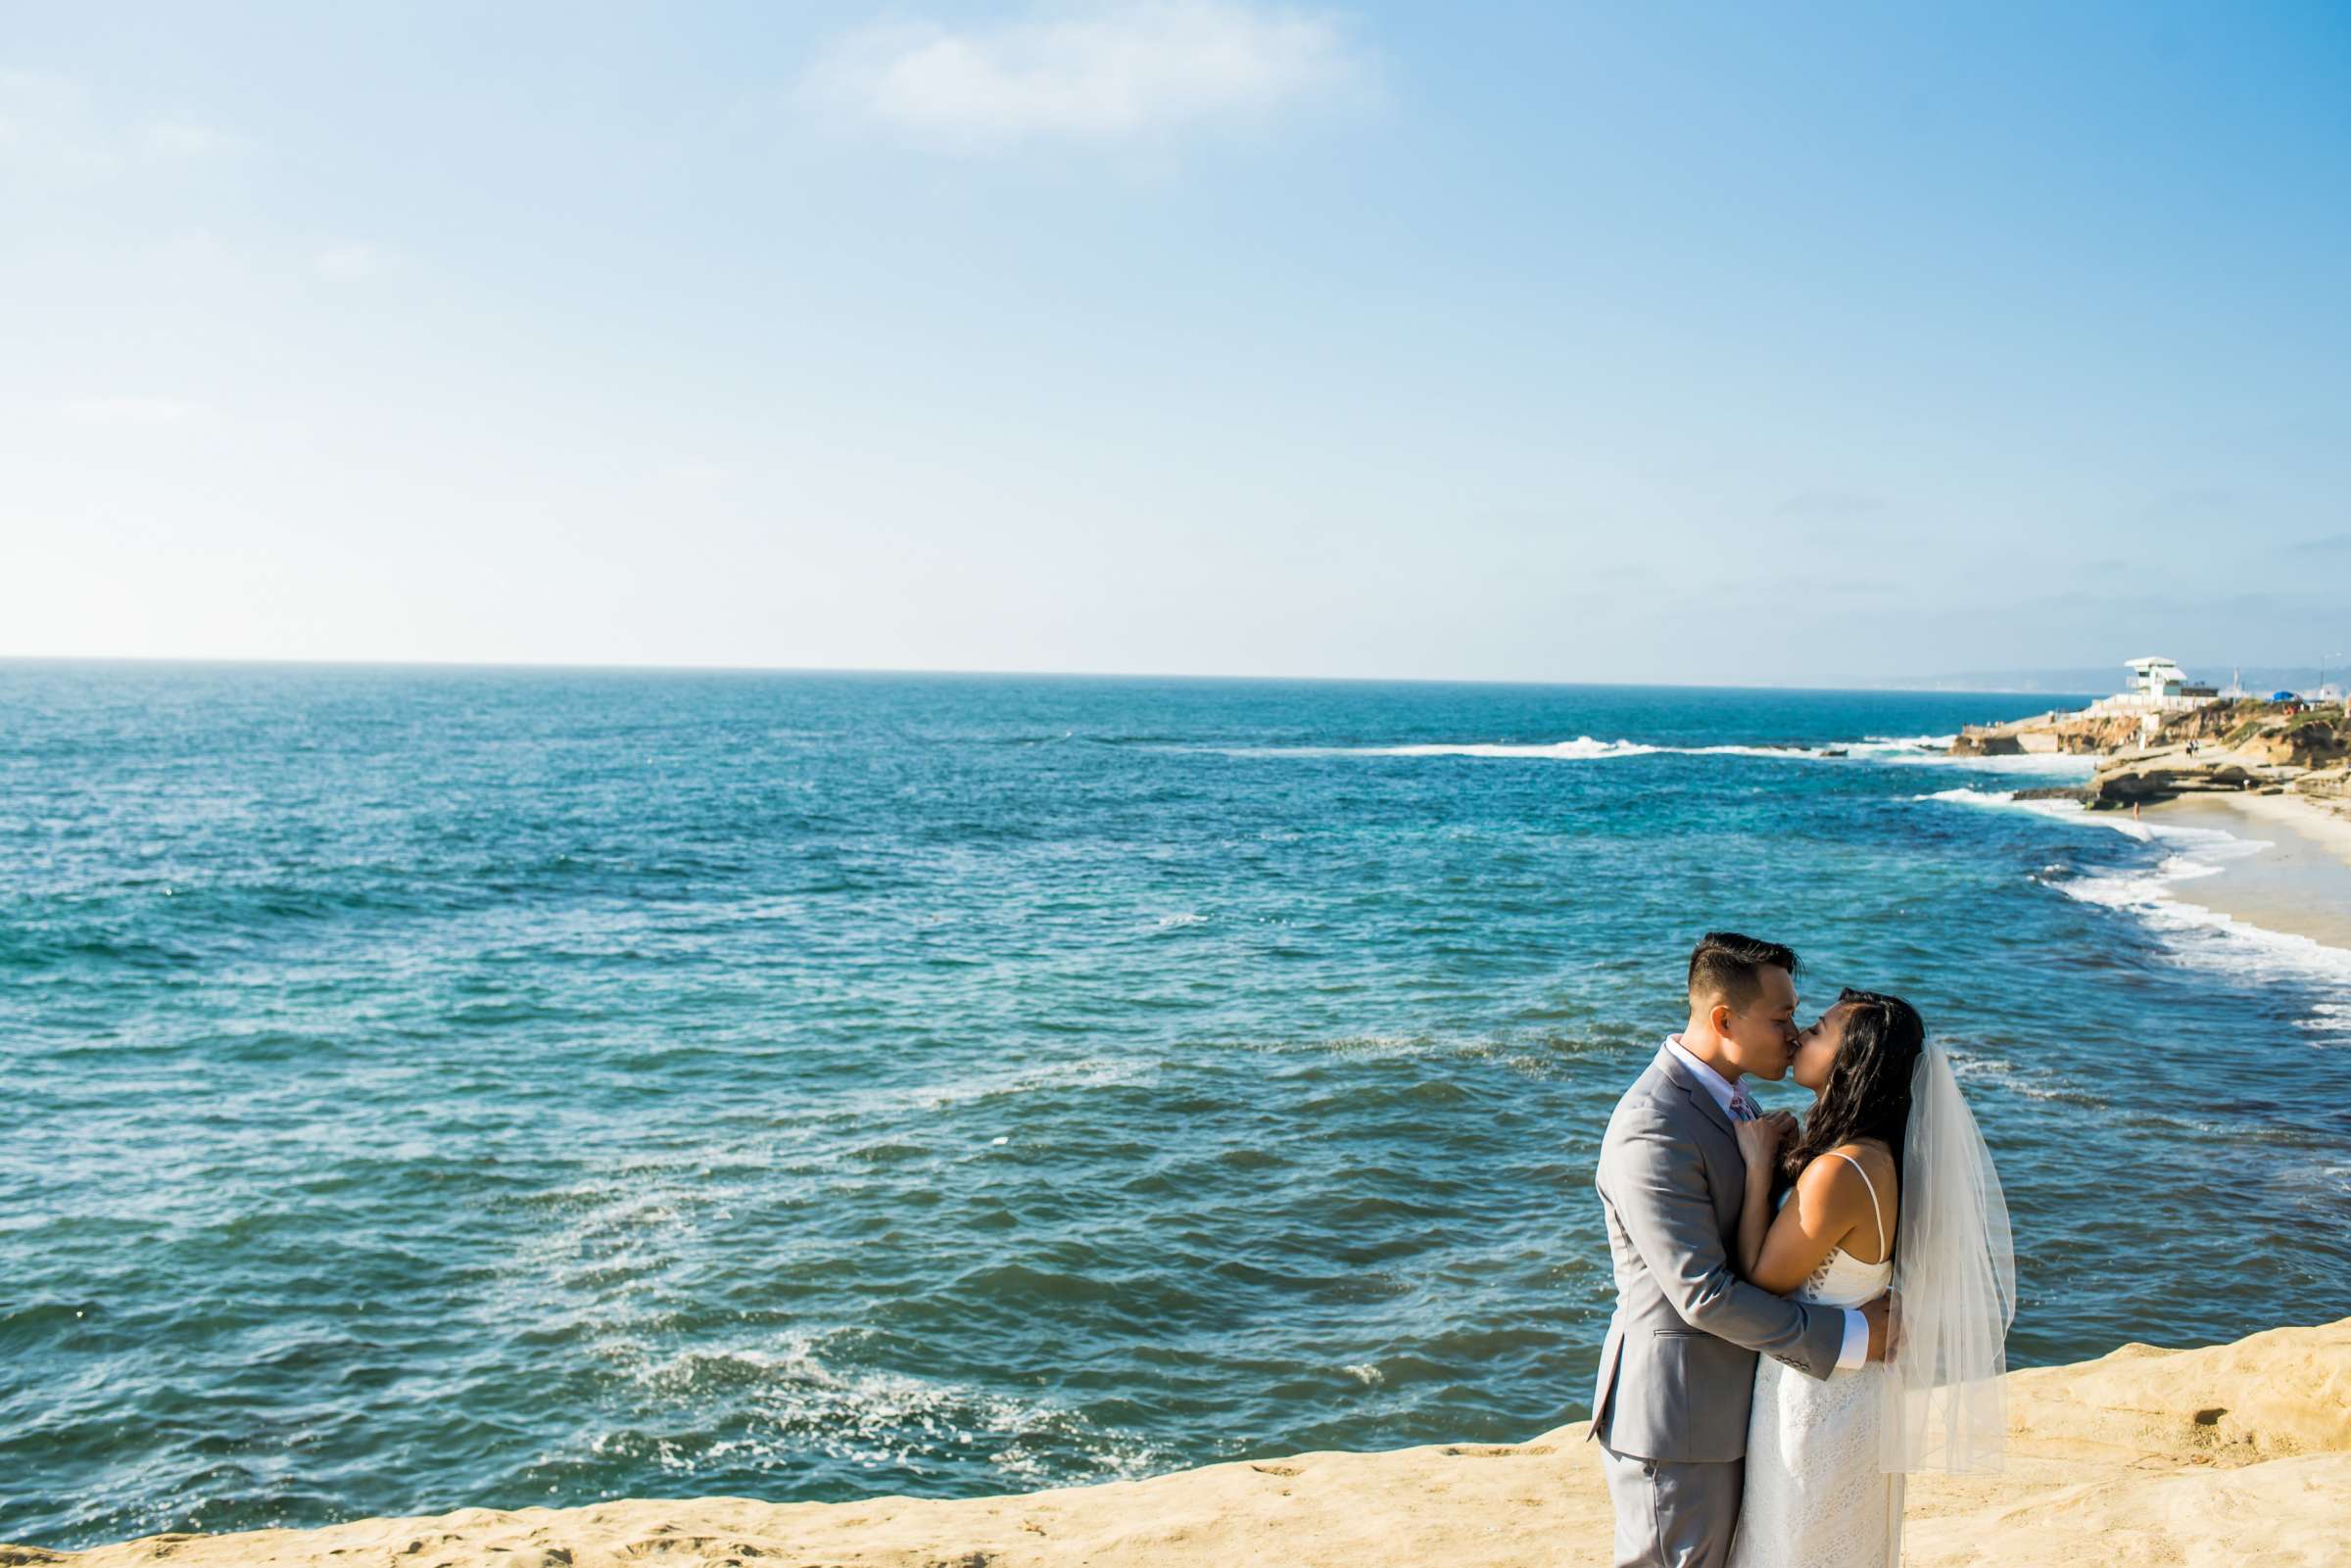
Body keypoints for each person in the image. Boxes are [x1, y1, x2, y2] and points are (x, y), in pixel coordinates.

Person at [1589, 933, 1891, 1568]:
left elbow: (1748, 1231)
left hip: (1731, 1413)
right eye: (1780, 1018)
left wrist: (1780, 1169)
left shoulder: (1735, 1098)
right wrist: (1856, 1335)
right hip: (1677, 1425)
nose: (1792, 1033)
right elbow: (1704, 1294)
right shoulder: (1654, 1124)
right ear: (1724, 1019)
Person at [1724, 990, 2015, 1568]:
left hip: (1819, 1400)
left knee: (1797, 1549)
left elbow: (1763, 1279)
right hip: (1853, 1390)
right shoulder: (1879, 1155)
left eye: (1821, 1030)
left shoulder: (1841, 1170)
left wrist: (1758, 1169)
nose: (1802, 1033)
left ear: (1850, 1063)